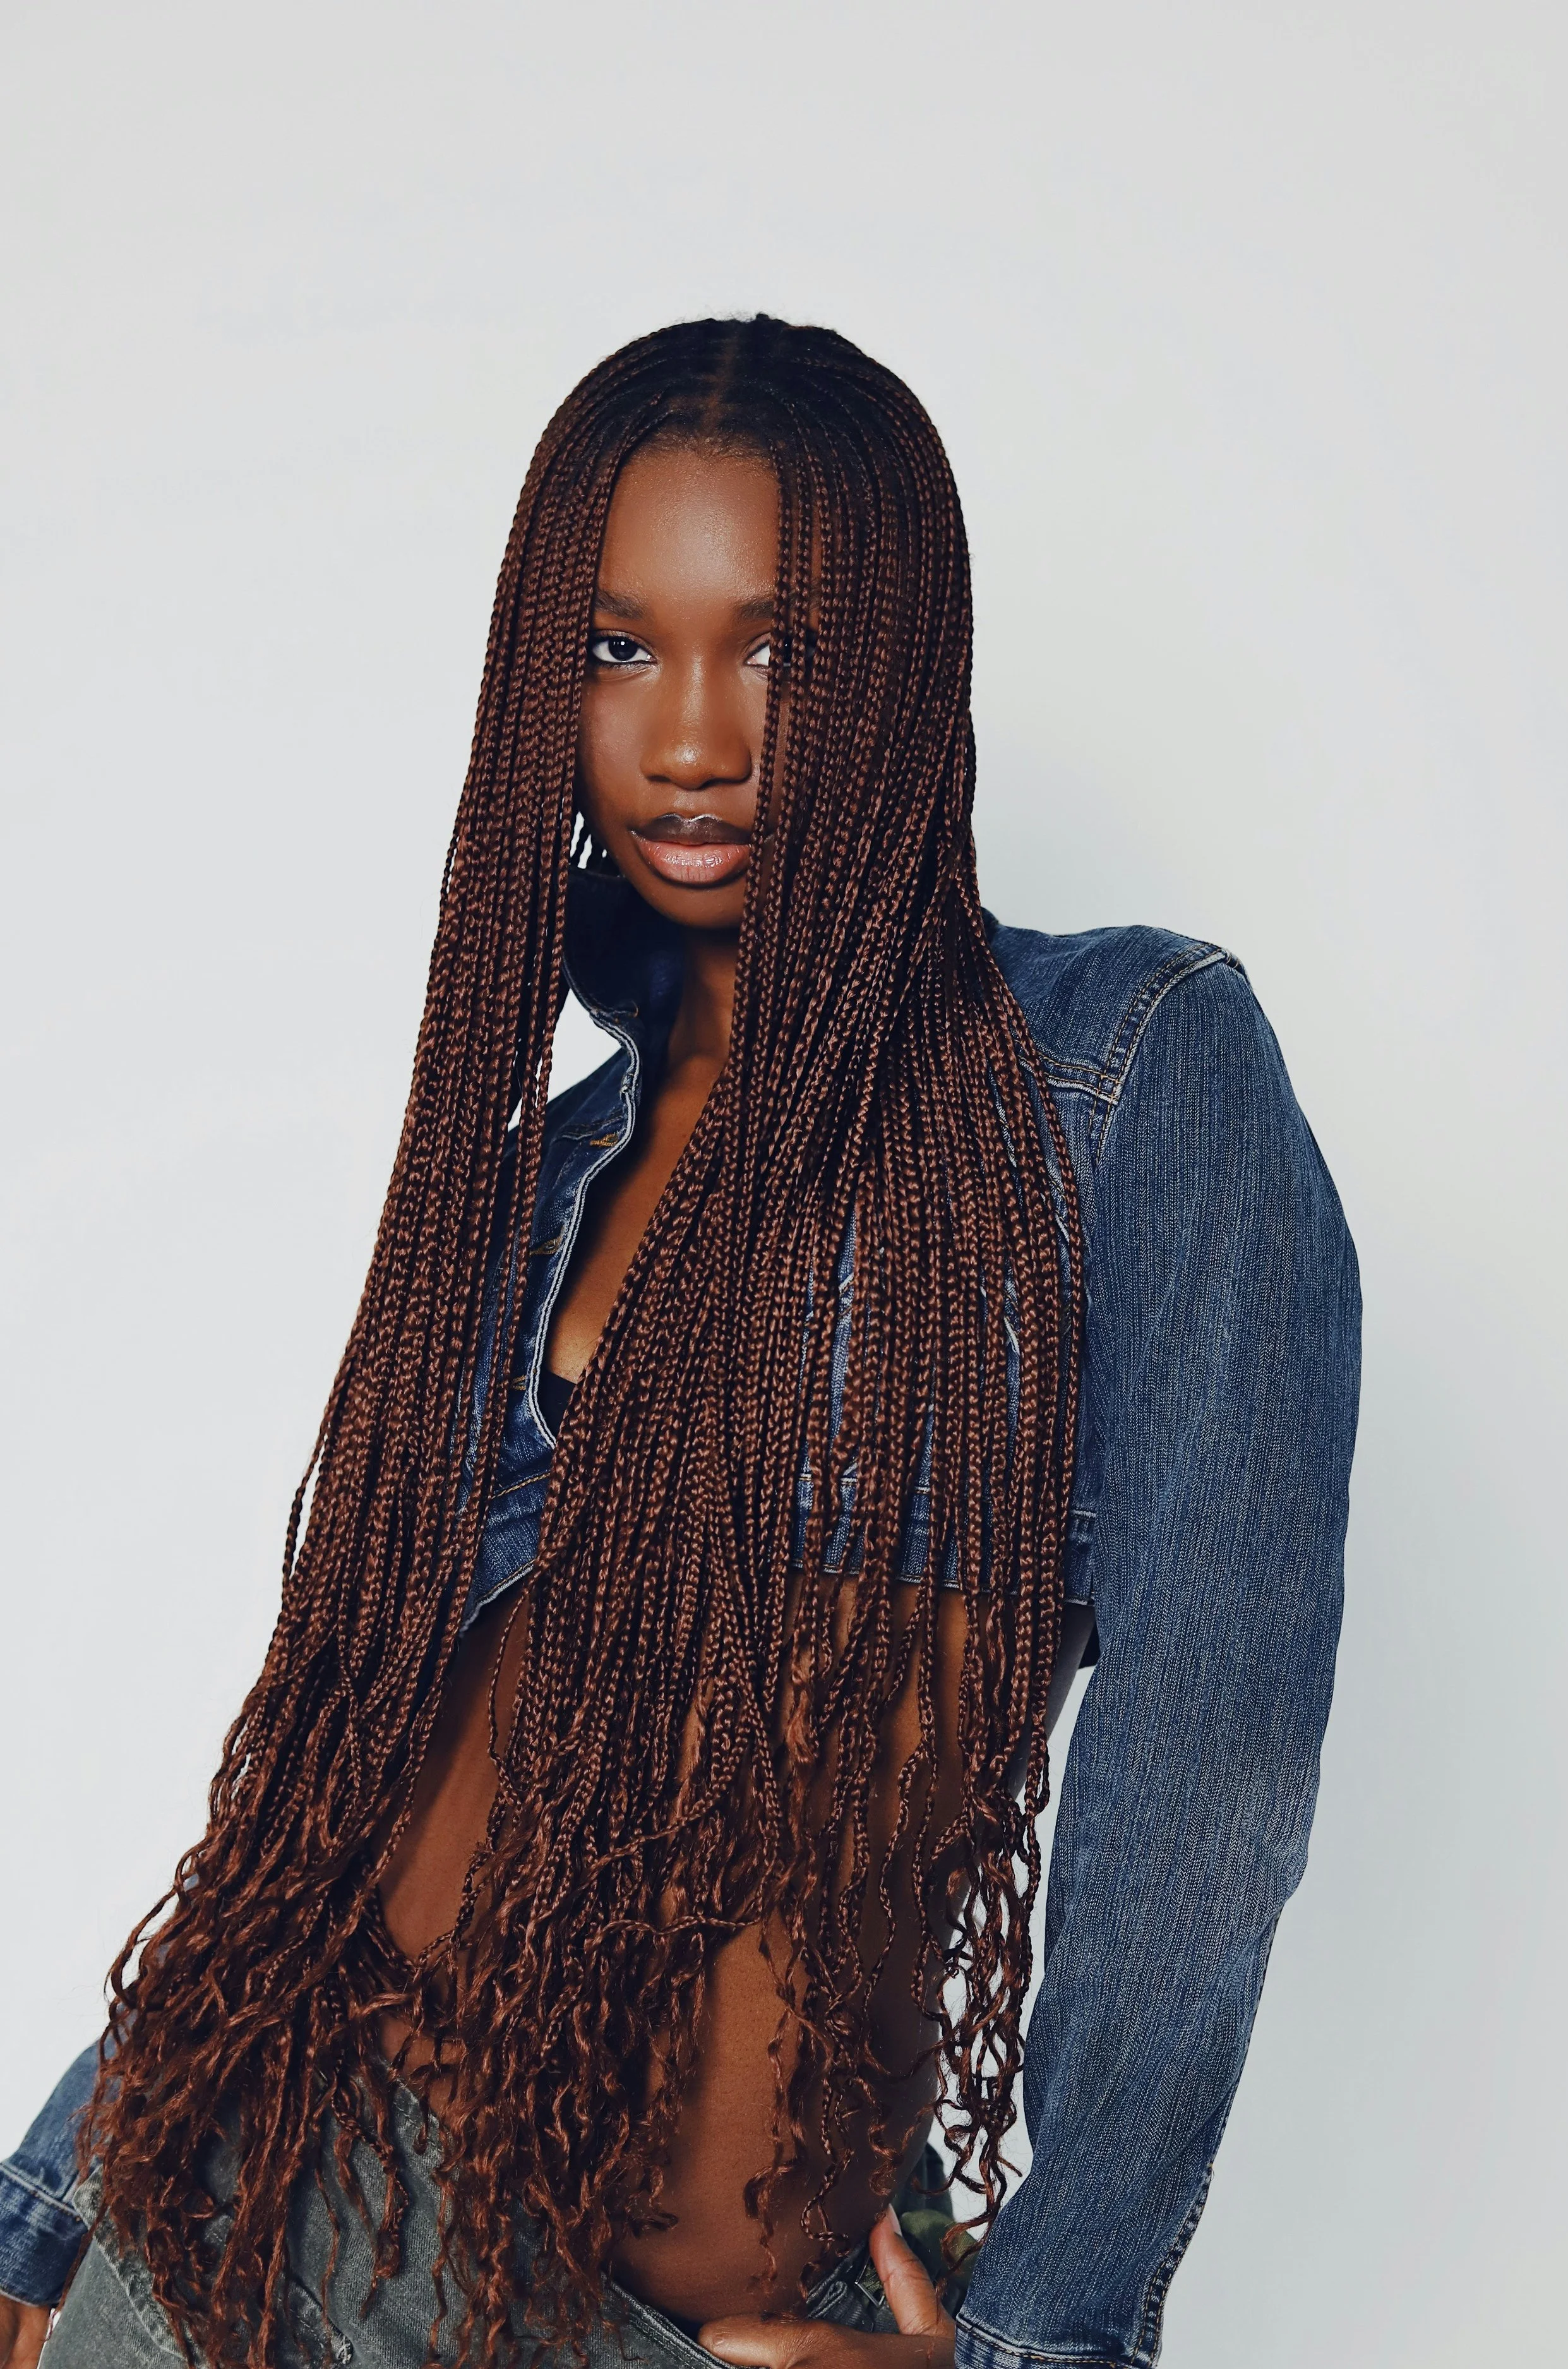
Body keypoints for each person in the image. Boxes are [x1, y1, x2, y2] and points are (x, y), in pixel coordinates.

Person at [0, 317, 1360, 2369]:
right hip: (238, 2211)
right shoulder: (537, 1173)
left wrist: (1040, 2348)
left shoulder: (1117, 1087)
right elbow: (329, 1792)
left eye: (779, 651)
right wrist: (40, 2220)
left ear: (903, 675)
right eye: (617, 648)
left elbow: (1210, 1768)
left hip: (652, 2324)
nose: (691, 736)